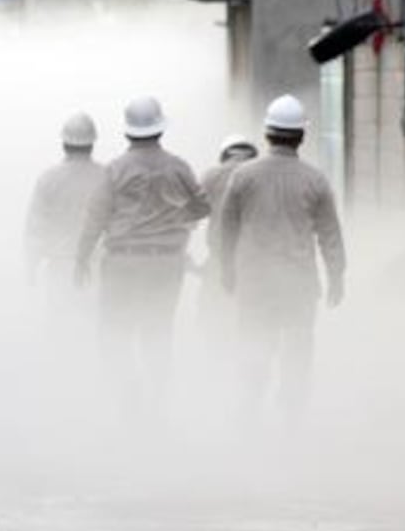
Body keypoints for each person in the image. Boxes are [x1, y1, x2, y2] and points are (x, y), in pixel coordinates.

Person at [76, 96, 210, 417]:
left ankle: (130, 393)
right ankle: (157, 401)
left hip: (122, 263)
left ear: (127, 132)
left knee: (116, 332)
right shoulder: (179, 168)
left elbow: (95, 218)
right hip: (165, 265)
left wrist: (81, 259)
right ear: (160, 129)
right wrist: (177, 218)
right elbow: (203, 206)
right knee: (158, 331)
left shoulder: (114, 170)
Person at [219, 94, 345, 424]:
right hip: (298, 284)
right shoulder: (315, 180)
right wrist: (336, 276)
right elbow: (330, 233)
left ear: (267, 133)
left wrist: (227, 270)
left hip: (255, 282)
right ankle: (291, 418)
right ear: (302, 136)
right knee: (297, 352)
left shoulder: (242, 176)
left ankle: (250, 413)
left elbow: (227, 229)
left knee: (254, 345)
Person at [25, 113, 106, 326]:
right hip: (95, 268)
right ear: (92, 144)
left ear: (64, 144)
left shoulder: (48, 179)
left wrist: (31, 266)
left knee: (59, 330)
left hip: (59, 267)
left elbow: (35, 227)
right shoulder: (107, 177)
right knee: (93, 329)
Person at [198, 134, 259, 377]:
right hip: (256, 263)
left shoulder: (211, 176)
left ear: (224, 154)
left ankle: (217, 371)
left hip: (218, 261)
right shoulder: (262, 176)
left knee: (213, 316)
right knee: (253, 325)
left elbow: (192, 212)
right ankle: (248, 372)